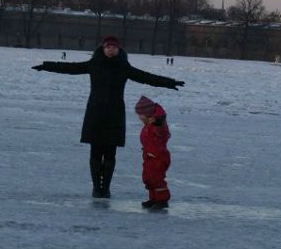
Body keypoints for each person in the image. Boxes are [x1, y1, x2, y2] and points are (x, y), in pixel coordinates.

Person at [32, 35, 184, 198]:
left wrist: (169, 82)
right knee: (96, 152)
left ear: (118, 49)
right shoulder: (94, 64)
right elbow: (71, 68)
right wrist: (46, 65)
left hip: (115, 114)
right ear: (103, 49)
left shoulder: (123, 67)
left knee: (110, 153)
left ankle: (106, 188)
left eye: (114, 47)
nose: (111, 49)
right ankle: (97, 187)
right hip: (95, 113)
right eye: (108, 47)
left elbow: (146, 77)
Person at [135, 95, 172, 211]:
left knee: (156, 179)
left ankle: (162, 200)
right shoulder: (148, 125)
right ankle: (154, 198)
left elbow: (161, 130)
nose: (139, 117)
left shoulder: (157, 125)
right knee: (148, 178)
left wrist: (157, 122)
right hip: (149, 156)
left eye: (141, 115)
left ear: (148, 114)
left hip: (158, 157)